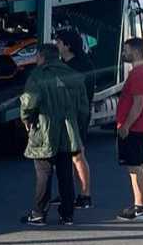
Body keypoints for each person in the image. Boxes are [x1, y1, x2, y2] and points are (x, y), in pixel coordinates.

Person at [19, 43, 88, 226]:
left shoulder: (37, 75)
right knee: (65, 174)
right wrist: (78, 129)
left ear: (41, 57)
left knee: (44, 173)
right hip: (68, 132)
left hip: (45, 131)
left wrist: (26, 119)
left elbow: (29, 102)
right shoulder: (73, 75)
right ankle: (67, 214)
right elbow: (83, 108)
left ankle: (39, 213)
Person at [115, 36, 143, 221]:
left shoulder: (138, 74)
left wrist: (126, 126)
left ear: (135, 51)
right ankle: (142, 205)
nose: (123, 53)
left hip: (135, 128)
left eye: (126, 50)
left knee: (134, 168)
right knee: (141, 165)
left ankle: (139, 208)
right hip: (142, 127)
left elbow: (138, 104)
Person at [55, 28, 95, 209]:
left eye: (59, 42)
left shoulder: (82, 66)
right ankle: (67, 192)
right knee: (64, 157)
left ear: (68, 45)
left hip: (77, 116)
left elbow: (81, 94)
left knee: (78, 155)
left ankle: (85, 195)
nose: (56, 45)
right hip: (62, 116)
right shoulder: (62, 64)